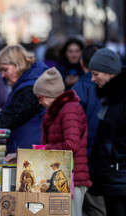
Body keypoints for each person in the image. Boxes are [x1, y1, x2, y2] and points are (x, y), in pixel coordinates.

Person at [33, 67, 91, 216]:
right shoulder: (59, 110)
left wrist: (44, 150)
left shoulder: (69, 109)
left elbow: (72, 144)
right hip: (63, 179)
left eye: (40, 97)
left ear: (51, 95)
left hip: (73, 179)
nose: (40, 102)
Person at [89, 48, 126, 216]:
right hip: (113, 174)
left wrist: (115, 155)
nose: (92, 78)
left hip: (119, 174)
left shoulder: (120, 98)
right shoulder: (111, 97)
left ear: (109, 72)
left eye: (96, 74)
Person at [70, 44, 106, 216]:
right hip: (106, 161)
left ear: (82, 62)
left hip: (88, 161)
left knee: (91, 208)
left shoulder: (79, 90)